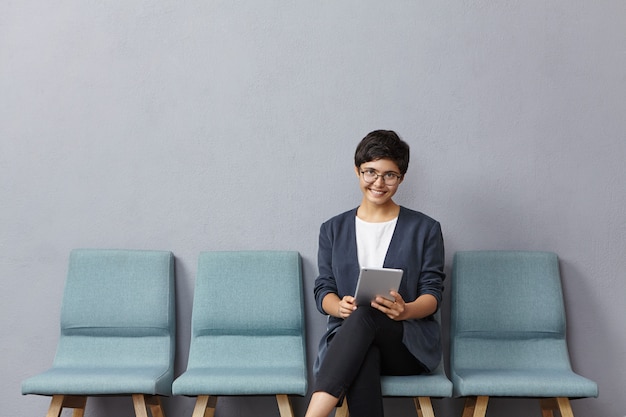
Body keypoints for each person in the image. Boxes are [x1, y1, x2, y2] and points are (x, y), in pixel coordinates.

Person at [305, 130, 445, 417]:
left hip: (407, 345)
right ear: (357, 171)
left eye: (389, 175)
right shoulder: (332, 229)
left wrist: (405, 310)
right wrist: (339, 307)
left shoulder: (426, 229)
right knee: (363, 346)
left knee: (365, 317)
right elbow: (324, 289)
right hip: (351, 341)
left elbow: (433, 293)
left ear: (401, 178)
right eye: (370, 172)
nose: (378, 183)